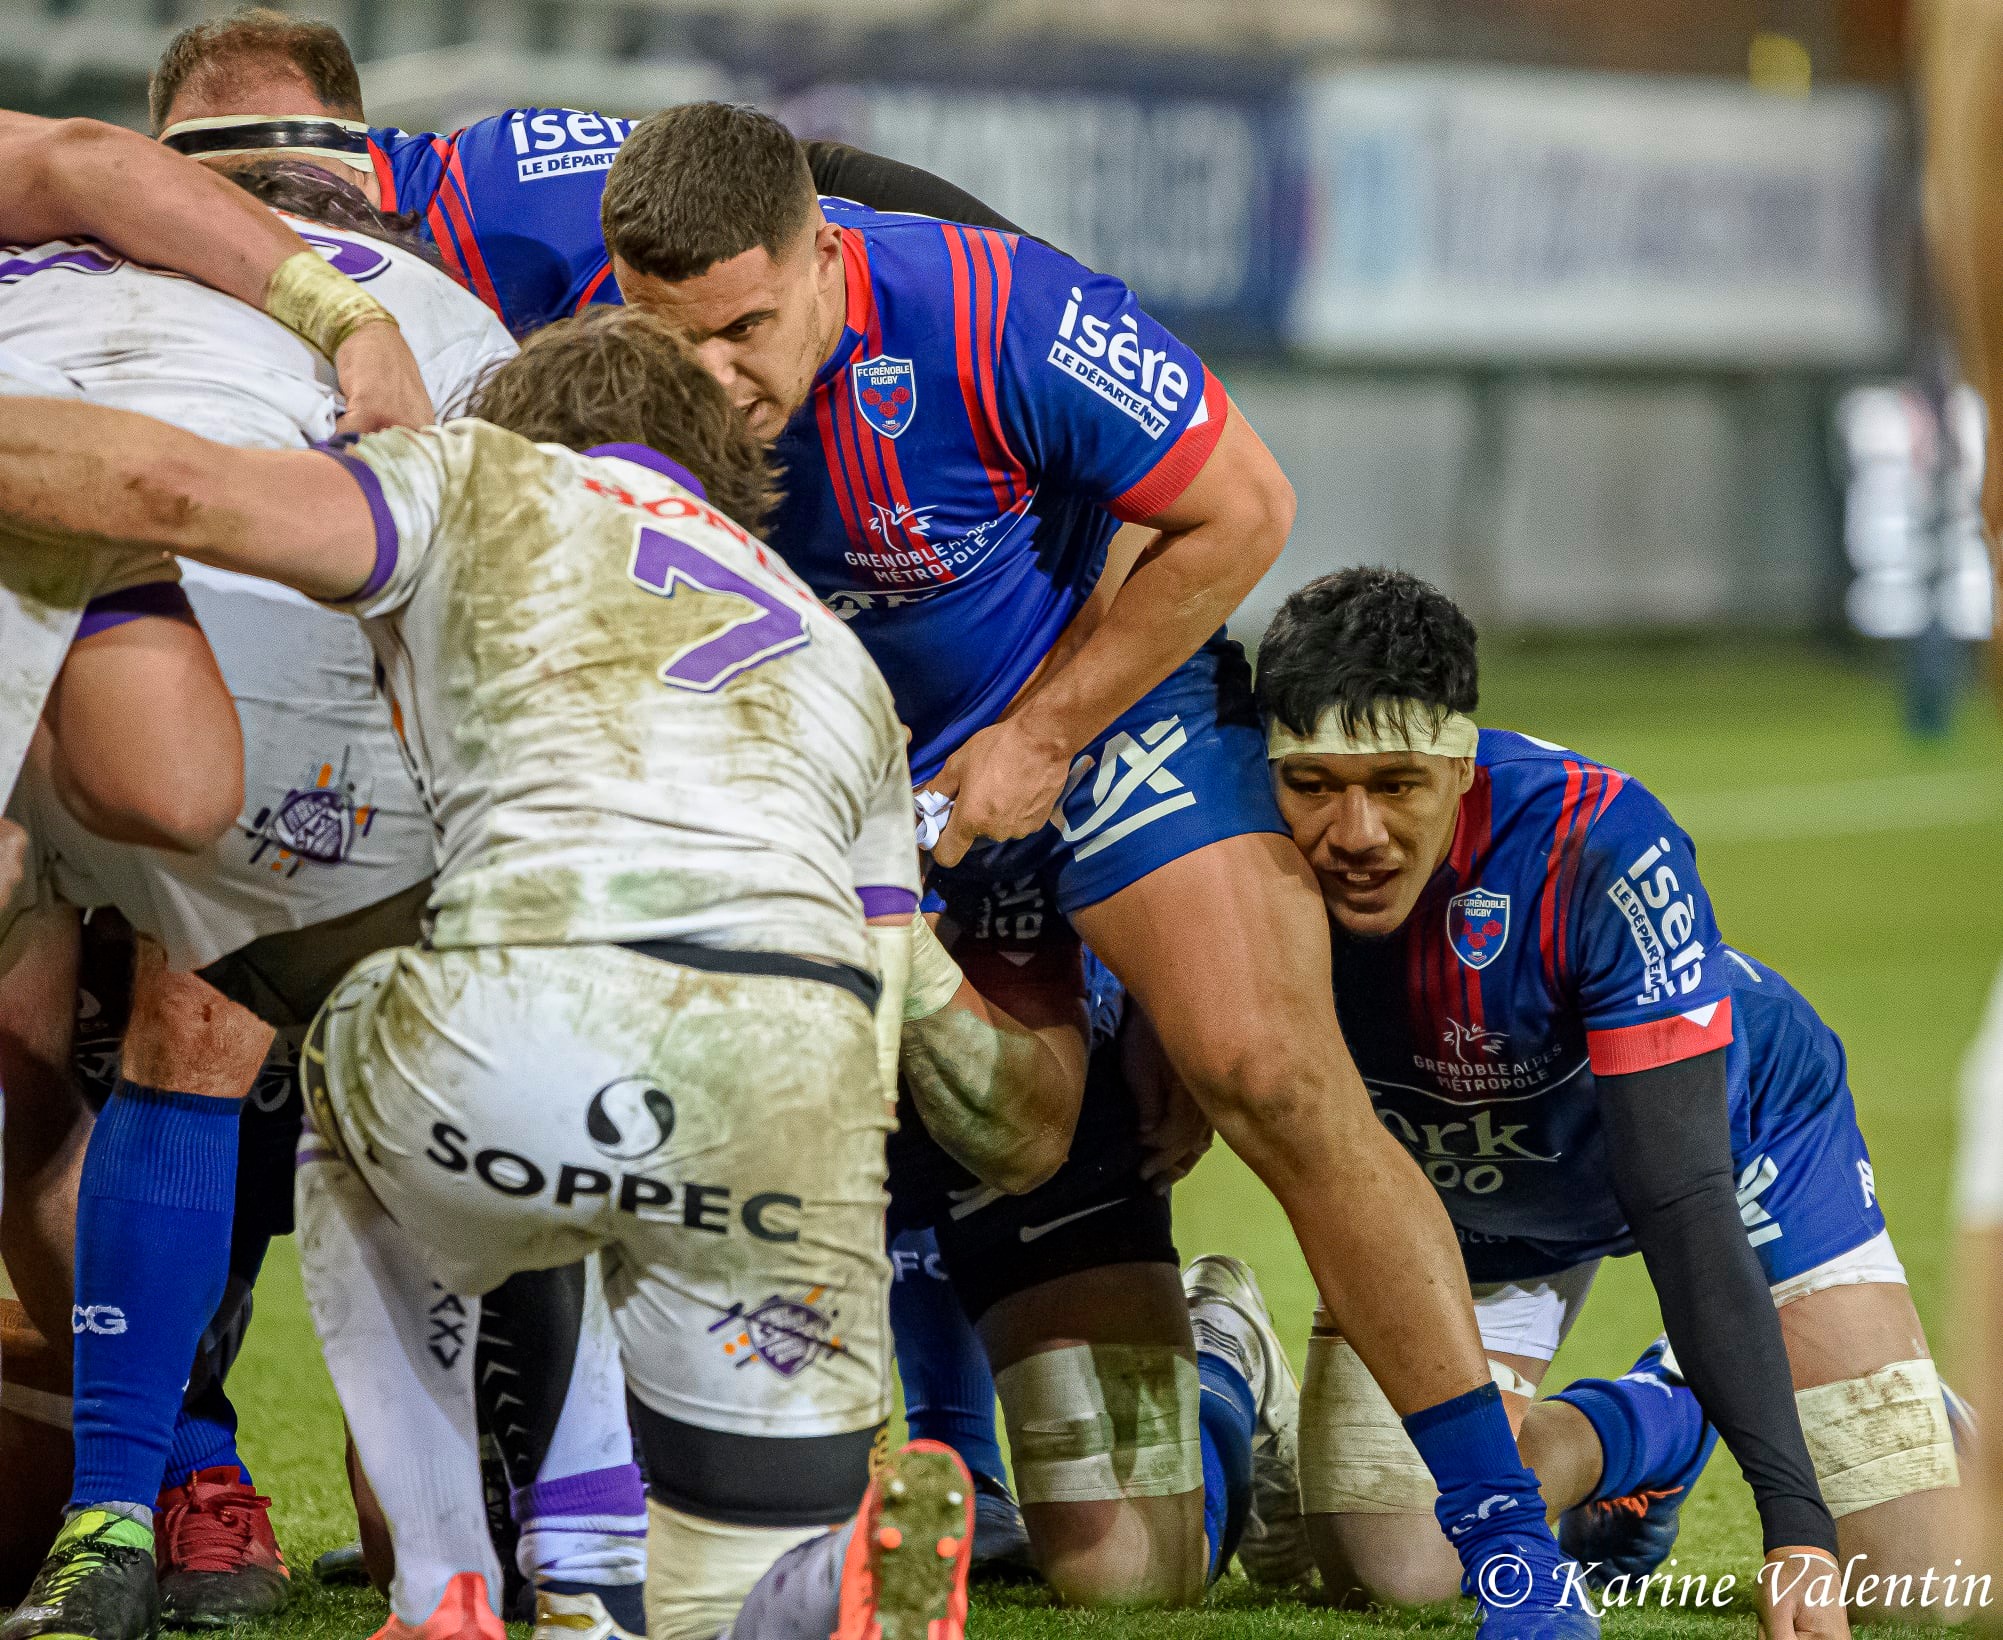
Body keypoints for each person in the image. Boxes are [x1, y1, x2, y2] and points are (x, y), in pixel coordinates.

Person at [591, 101, 1595, 1631]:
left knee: (1264, 1065)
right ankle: (1184, 1389)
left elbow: (1242, 508)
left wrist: (1044, 735)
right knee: (1124, 1577)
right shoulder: (592, 358)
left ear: (822, 263)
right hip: (837, 784)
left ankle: (1501, 1530)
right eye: (675, 341)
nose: (712, 384)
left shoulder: (999, 312)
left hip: (1072, 715)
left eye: (743, 331)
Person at [0, 304, 985, 1640]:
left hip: (546, 1007)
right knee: (728, 1585)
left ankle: (443, 1582)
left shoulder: (480, 478)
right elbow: (877, 1002)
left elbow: (174, 487)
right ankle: (770, 1578)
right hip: (789, 1102)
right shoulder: (835, 653)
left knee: (361, 1087)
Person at [1257, 565, 1971, 1630]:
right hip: (1463, 1190)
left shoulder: (1595, 843)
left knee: (1913, 1572)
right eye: (1311, 783)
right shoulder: (1231, 838)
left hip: (1723, 1133)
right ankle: (1650, 1424)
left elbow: (1680, 1196)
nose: (1353, 831)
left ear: (1459, 760)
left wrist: (1794, 1521)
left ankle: (1771, 1398)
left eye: (1396, 782)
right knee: (1395, 1562)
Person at [0, 147, 491, 1640]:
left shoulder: (428, 316)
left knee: (197, 951)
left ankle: (124, 1507)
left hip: (212, 535)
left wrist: (347, 327)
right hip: (126, 513)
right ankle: (149, 1488)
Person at [146, 6, 1044, 338]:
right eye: (226, 198)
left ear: (358, 154)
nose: (271, 217)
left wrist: (1045, 285)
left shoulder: (512, 185)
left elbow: (799, 166)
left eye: (286, 184)